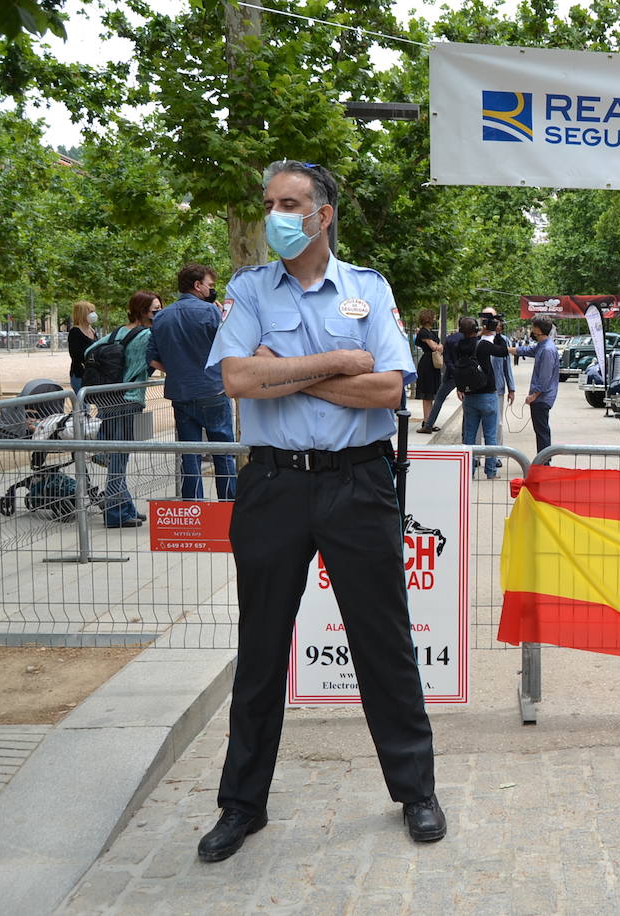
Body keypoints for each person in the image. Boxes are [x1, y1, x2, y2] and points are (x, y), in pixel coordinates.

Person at [198, 160, 443, 863]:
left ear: (324, 214)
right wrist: (339, 361)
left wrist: (292, 372)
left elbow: (389, 390)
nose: (278, 212)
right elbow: (238, 378)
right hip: (273, 487)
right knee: (262, 650)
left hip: (358, 485)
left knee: (385, 645)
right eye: (270, 200)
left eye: (291, 202)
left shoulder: (368, 288)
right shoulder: (248, 290)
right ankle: (242, 805)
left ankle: (416, 792)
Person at [147, 264, 237, 501]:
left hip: (181, 393)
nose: (212, 290)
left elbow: (153, 359)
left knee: (189, 454)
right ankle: (228, 506)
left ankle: (192, 508)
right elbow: (231, 348)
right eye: (210, 285)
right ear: (197, 286)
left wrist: (178, 370)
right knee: (224, 452)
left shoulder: (162, 316)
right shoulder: (211, 313)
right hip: (213, 390)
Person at [88, 291, 160, 528]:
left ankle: (125, 506)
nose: (159, 314)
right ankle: (115, 513)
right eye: (155, 310)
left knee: (119, 455)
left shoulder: (118, 332)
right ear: (142, 311)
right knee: (120, 459)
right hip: (128, 400)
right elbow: (151, 361)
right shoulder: (148, 335)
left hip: (109, 399)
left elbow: (90, 352)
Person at [453, 316, 509, 479]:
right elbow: (502, 351)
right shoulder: (483, 345)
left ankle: (468, 471)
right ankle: (491, 471)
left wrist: (459, 387)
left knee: (469, 435)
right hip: (487, 395)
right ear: (476, 329)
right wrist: (495, 333)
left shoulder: (459, 346)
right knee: (490, 435)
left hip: (469, 396)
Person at [510, 317, 559, 453]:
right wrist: (509, 349)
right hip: (540, 397)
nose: (532, 330)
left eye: (533, 327)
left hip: (542, 398)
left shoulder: (548, 349)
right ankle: (543, 460)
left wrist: (534, 395)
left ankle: (544, 463)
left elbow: (545, 377)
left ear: (538, 330)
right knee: (540, 430)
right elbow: (527, 350)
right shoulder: (541, 346)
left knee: (542, 431)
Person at [420, 318, 464, 433]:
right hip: (465, 373)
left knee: (439, 398)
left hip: (451, 374)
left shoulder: (451, 339)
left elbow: (446, 357)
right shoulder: (472, 339)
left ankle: (428, 425)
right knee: (468, 402)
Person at [479, 309, 515, 443]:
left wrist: (511, 388)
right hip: (477, 387)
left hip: (497, 387)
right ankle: (475, 455)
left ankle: (497, 453)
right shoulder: (476, 339)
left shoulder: (503, 341)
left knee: (498, 422)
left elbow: (507, 366)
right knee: (477, 424)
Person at [413, 309, 443, 433]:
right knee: (427, 394)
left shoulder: (427, 332)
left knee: (430, 394)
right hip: (428, 364)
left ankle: (429, 422)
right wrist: (440, 346)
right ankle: (426, 422)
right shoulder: (424, 332)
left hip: (431, 363)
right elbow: (434, 347)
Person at [67, 302, 99, 396]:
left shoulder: (92, 330)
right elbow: (75, 355)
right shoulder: (75, 332)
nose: (93, 314)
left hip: (93, 373)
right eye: (90, 311)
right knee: (83, 406)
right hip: (80, 374)